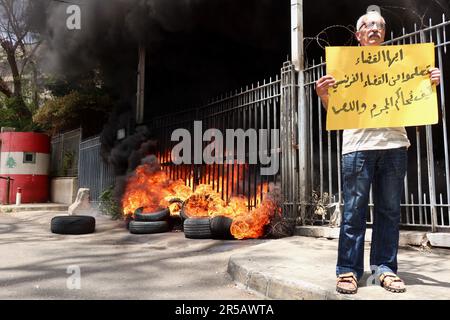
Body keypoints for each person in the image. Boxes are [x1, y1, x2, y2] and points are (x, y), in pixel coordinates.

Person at [315, 10, 441, 294]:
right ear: (358, 35)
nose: (375, 29)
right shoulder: (343, 67)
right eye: (368, 25)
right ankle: (348, 270)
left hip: (394, 145)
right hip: (358, 148)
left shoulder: (403, 65)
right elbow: (334, 110)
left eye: (380, 26)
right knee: (353, 212)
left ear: (384, 34)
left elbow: (419, 97)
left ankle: (384, 269)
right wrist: (324, 95)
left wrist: (431, 81)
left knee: (389, 211)